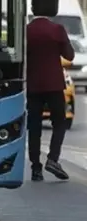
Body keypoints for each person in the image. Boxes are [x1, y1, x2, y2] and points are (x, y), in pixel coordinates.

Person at [27, 12, 75, 181]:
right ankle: (53, 159)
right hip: (54, 85)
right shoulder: (57, 30)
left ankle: (35, 168)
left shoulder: (27, 31)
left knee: (34, 127)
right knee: (59, 122)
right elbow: (69, 55)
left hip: (33, 85)